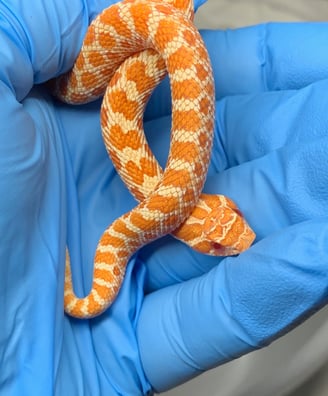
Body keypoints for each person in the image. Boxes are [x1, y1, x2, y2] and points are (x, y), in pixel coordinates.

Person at [1, 0, 327, 394]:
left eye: (221, 238)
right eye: (219, 240)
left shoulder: (164, 202)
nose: (239, 239)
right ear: (173, 227)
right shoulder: (163, 204)